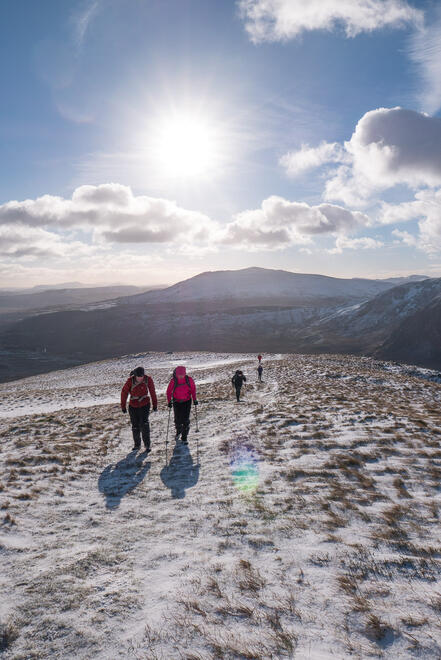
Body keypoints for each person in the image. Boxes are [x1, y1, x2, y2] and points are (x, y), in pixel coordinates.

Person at [121, 366, 157, 453]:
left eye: (141, 377)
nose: (140, 379)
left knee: (144, 424)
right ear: (135, 375)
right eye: (138, 377)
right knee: (135, 426)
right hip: (133, 405)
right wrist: (123, 406)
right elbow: (124, 393)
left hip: (145, 404)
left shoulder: (148, 379)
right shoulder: (130, 381)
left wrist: (155, 404)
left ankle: (147, 445)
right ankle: (137, 445)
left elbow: (152, 391)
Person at [166, 366, 198, 444]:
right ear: (176, 374)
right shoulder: (173, 380)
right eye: (179, 374)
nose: (181, 376)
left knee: (185, 420)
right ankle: (178, 431)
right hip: (177, 402)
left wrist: (194, 399)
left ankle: (184, 437)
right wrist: (169, 401)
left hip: (187, 401)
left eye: (182, 374)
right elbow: (168, 391)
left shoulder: (189, 379)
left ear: (185, 373)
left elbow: (193, 390)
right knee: (177, 419)